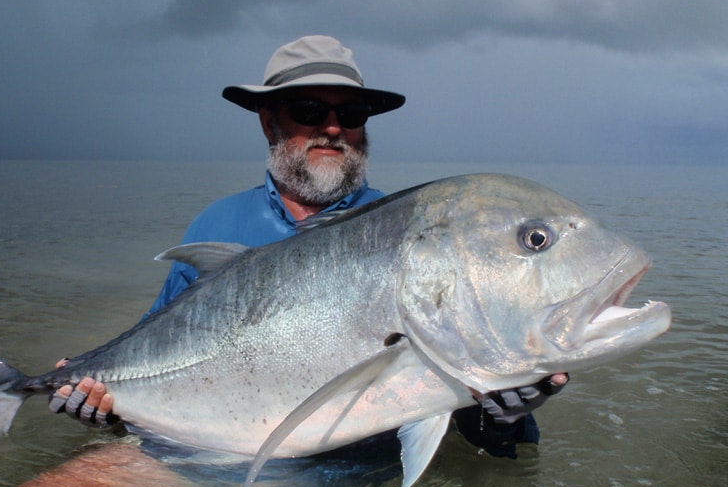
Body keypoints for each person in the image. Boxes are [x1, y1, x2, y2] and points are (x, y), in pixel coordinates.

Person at [51, 35, 567, 459]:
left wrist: (505, 415)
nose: (333, 128)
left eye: (353, 112)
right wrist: (98, 398)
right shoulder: (219, 223)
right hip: (212, 459)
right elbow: (154, 357)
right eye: (308, 109)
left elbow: (468, 423)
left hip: (360, 480)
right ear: (268, 120)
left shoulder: (408, 237)